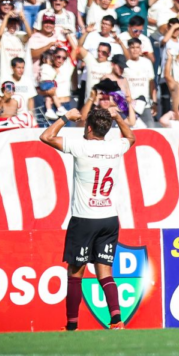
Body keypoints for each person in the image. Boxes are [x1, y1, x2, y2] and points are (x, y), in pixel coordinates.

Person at [40, 106, 136, 331]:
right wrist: (118, 117)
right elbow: (131, 138)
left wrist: (66, 117)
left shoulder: (81, 146)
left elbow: (46, 136)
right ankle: (117, 321)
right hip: (109, 218)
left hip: (84, 219)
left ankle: (72, 325)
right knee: (105, 272)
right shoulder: (115, 147)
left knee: (75, 273)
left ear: (89, 128)